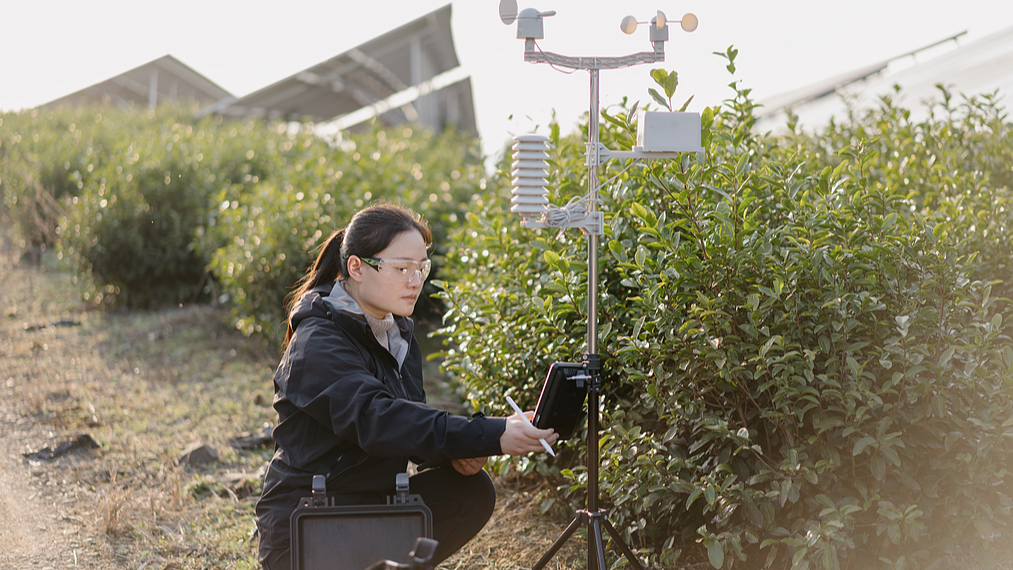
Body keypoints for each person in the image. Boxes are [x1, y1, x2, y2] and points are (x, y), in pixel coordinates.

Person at [256, 203, 557, 570]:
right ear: (357, 267)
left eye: (421, 268)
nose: (415, 281)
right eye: (401, 268)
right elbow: (379, 419)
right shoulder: (317, 341)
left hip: (368, 507)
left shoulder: (395, 332)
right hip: (307, 524)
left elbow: (409, 424)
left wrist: (458, 452)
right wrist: (491, 433)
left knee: (471, 492)